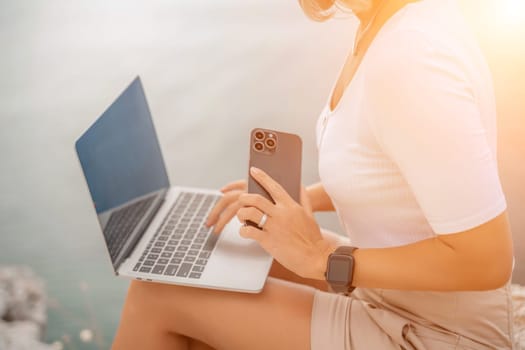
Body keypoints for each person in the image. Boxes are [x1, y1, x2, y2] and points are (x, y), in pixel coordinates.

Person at [112, 0, 515, 349]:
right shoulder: (384, 24)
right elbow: (392, 168)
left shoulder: (410, 59)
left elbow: (487, 261)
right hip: (398, 298)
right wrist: (299, 199)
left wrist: (321, 258)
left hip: (438, 333)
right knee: (221, 257)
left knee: (156, 296)